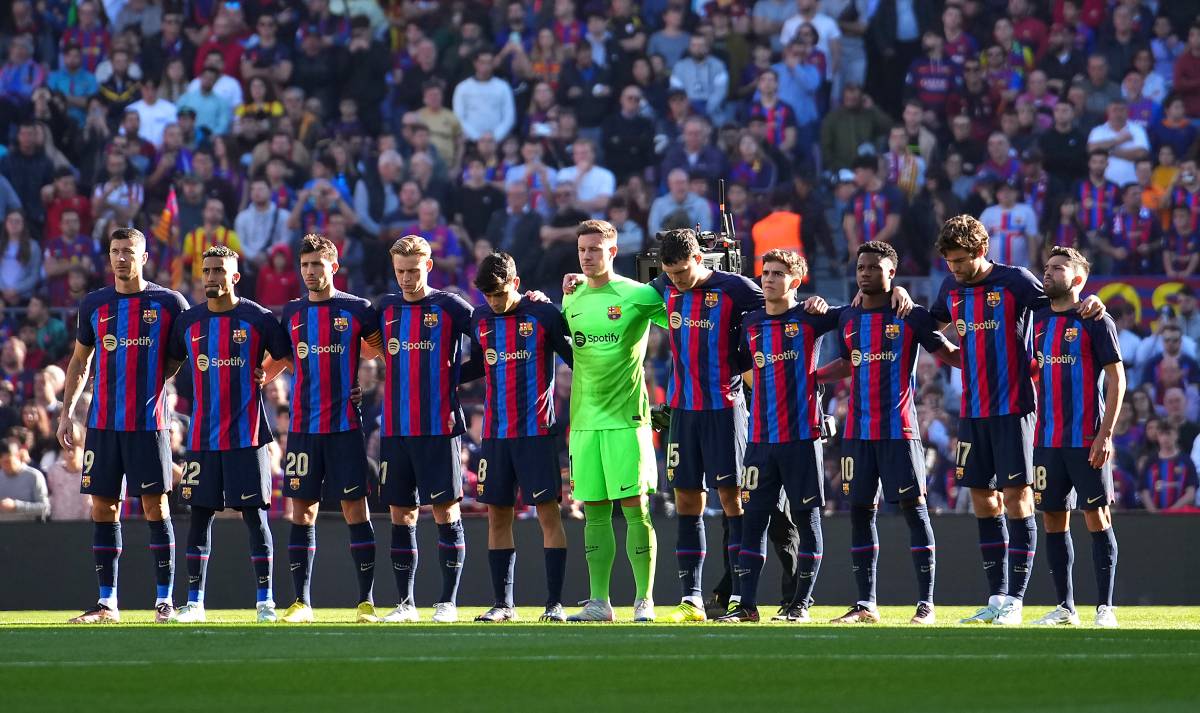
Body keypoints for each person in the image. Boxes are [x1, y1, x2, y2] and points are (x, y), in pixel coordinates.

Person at [930, 215, 1104, 626]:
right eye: (949, 262)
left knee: (1016, 499)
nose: (954, 269)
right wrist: (951, 353)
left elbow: (1061, 306)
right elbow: (929, 326)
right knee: (982, 501)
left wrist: (1090, 301)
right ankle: (996, 597)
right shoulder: (950, 288)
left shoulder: (1016, 281)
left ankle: (1015, 600)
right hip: (972, 412)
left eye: (959, 261)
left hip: (1014, 409)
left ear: (980, 251)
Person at [815, 241, 958, 625]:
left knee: (915, 511)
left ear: (891, 273)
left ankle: (926, 604)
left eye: (873, 267)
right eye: (860, 266)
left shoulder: (911, 316)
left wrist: (991, 357)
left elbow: (947, 352)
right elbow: (848, 362)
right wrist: (814, 376)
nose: (864, 272)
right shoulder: (846, 318)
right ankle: (865, 605)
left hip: (900, 430)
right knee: (860, 513)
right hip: (858, 435)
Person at [56, 227, 189, 624]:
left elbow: (180, 353)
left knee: (156, 505)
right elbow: (81, 361)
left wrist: (156, 379)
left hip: (149, 425)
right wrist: (67, 412)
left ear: (144, 257)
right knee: (103, 506)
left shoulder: (169, 302)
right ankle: (107, 603)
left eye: (129, 252)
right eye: (115, 251)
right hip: (102, 424)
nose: (121, 258)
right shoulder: (94, 304)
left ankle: (164, 600)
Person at [167, 245, 292, 624]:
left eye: (219, 270)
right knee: (199, 518)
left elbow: (285, 354)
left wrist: (265, 374)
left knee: (255, 518)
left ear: (234, 276)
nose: (211, 277)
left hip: (248, 435)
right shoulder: (189, 322)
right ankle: (194, 603)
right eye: (206, 271)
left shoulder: (258, 318)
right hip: (203, 438)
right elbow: (169, 364)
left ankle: (266, 601)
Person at [713, 250, 836, 623]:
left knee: (806, 521)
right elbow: (739, 366)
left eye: (778, 274)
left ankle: (799, 605)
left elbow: (862, 311)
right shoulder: (750, 323)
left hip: (802, 439)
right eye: (765, 273)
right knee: (752, 523)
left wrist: (898, 295)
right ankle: (745, 606)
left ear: (795, 281)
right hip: (760, 443)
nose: (768, 279)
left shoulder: (812, 318)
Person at [270, 235, 383, 624]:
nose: (310, 272)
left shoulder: (358, 310)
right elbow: (284, 357)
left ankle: (365, 601)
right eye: (305, 266)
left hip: (345, 427)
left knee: (356, 509)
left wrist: (364, 384)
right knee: (301, 511)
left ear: (333, 267)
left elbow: (382, 349)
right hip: (303, 427)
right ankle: (301, 602)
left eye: (318, 264)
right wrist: (257, 375)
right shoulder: (294, 312)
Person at [559, 220, 664, 622]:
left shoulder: (638, 295)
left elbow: (680, 321)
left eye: (595, 249)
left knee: (636, 509)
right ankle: (600, 602)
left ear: (613, 252)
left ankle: (644, 600)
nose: (587, 256)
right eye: (582, 249)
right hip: (584, 422)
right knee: (595, 511)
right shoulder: (572, 297)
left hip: (627, 420)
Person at [465, 252, 573, 622]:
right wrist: (440, 377)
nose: (493, 302)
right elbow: (480, 363)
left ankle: (554, 603)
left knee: (547, 515)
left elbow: (575, 358)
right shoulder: (480, 318)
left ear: (515, 282)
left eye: (498, 294)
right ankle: (503, 605)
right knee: (497, 516)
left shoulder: (542, 314)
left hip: (537, 433)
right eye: (487, 296)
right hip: (495, 437)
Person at [373, 236, 476, 623]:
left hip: (439, 427)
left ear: (429, 267)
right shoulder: (384, 308)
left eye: (413, 271)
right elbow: (359, 344)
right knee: (402, 514)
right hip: (396, 430)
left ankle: (447, 602)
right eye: (400, 271)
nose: (406, 278)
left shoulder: (450, 306)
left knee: (446, 510)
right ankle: (406, 604)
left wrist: (451, 376)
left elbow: (490, 337)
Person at [1030, 246, 1124, 628]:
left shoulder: (1095, 319)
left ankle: (1106, 607)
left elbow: (1117, 378)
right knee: (1053, 518)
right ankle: (1066, 607)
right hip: (1046, 439)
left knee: (1097, 517)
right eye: (1047, 267)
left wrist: (1105, 434)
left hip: (1086, 438)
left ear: (1079, 279)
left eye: (1058, 268)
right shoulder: (1035, 318)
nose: (1048, 273)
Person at [979, 178, 1040, 269]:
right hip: (992, 268)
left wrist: (1033, 264)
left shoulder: (1027, 211)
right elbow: (979, 240)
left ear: (1017, 193)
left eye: (1010, 190)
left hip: (1021, 268)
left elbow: (1032, 238)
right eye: (1002, 190)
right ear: (997, 194)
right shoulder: (988, 212)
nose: (1006, 194)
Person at [1138, 420, 1197, 511]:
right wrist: (1153, 511)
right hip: (1154, 517)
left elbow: (1191, 492)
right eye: (1162, 434)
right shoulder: (1150, 462)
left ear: (1176, 435)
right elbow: (1143, 490)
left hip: (1181, 516)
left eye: (1168, 434)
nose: (1165, 438)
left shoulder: (1186, 461)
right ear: (1157, 436)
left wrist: (1171, 511)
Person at [0, 437, 51, 522]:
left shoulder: (34, 476)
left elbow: (45, 508)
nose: (4, 466)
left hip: (27, 532)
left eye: (7, 461)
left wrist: (16, 506)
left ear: (18, 456)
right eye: (1, 463)